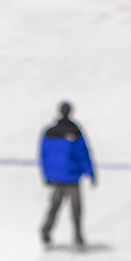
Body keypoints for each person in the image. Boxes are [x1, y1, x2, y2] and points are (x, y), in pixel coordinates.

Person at [38, 101, 95, 249]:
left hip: (58, 177)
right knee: (76, 208)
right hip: (70, 176)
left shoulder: (50, 132)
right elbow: (82, 153)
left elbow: (45, 155)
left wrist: (47, 174)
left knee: (55, 206)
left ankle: (46, 230)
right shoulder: (74, 131)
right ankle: (77, 236)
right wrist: (90, 173)